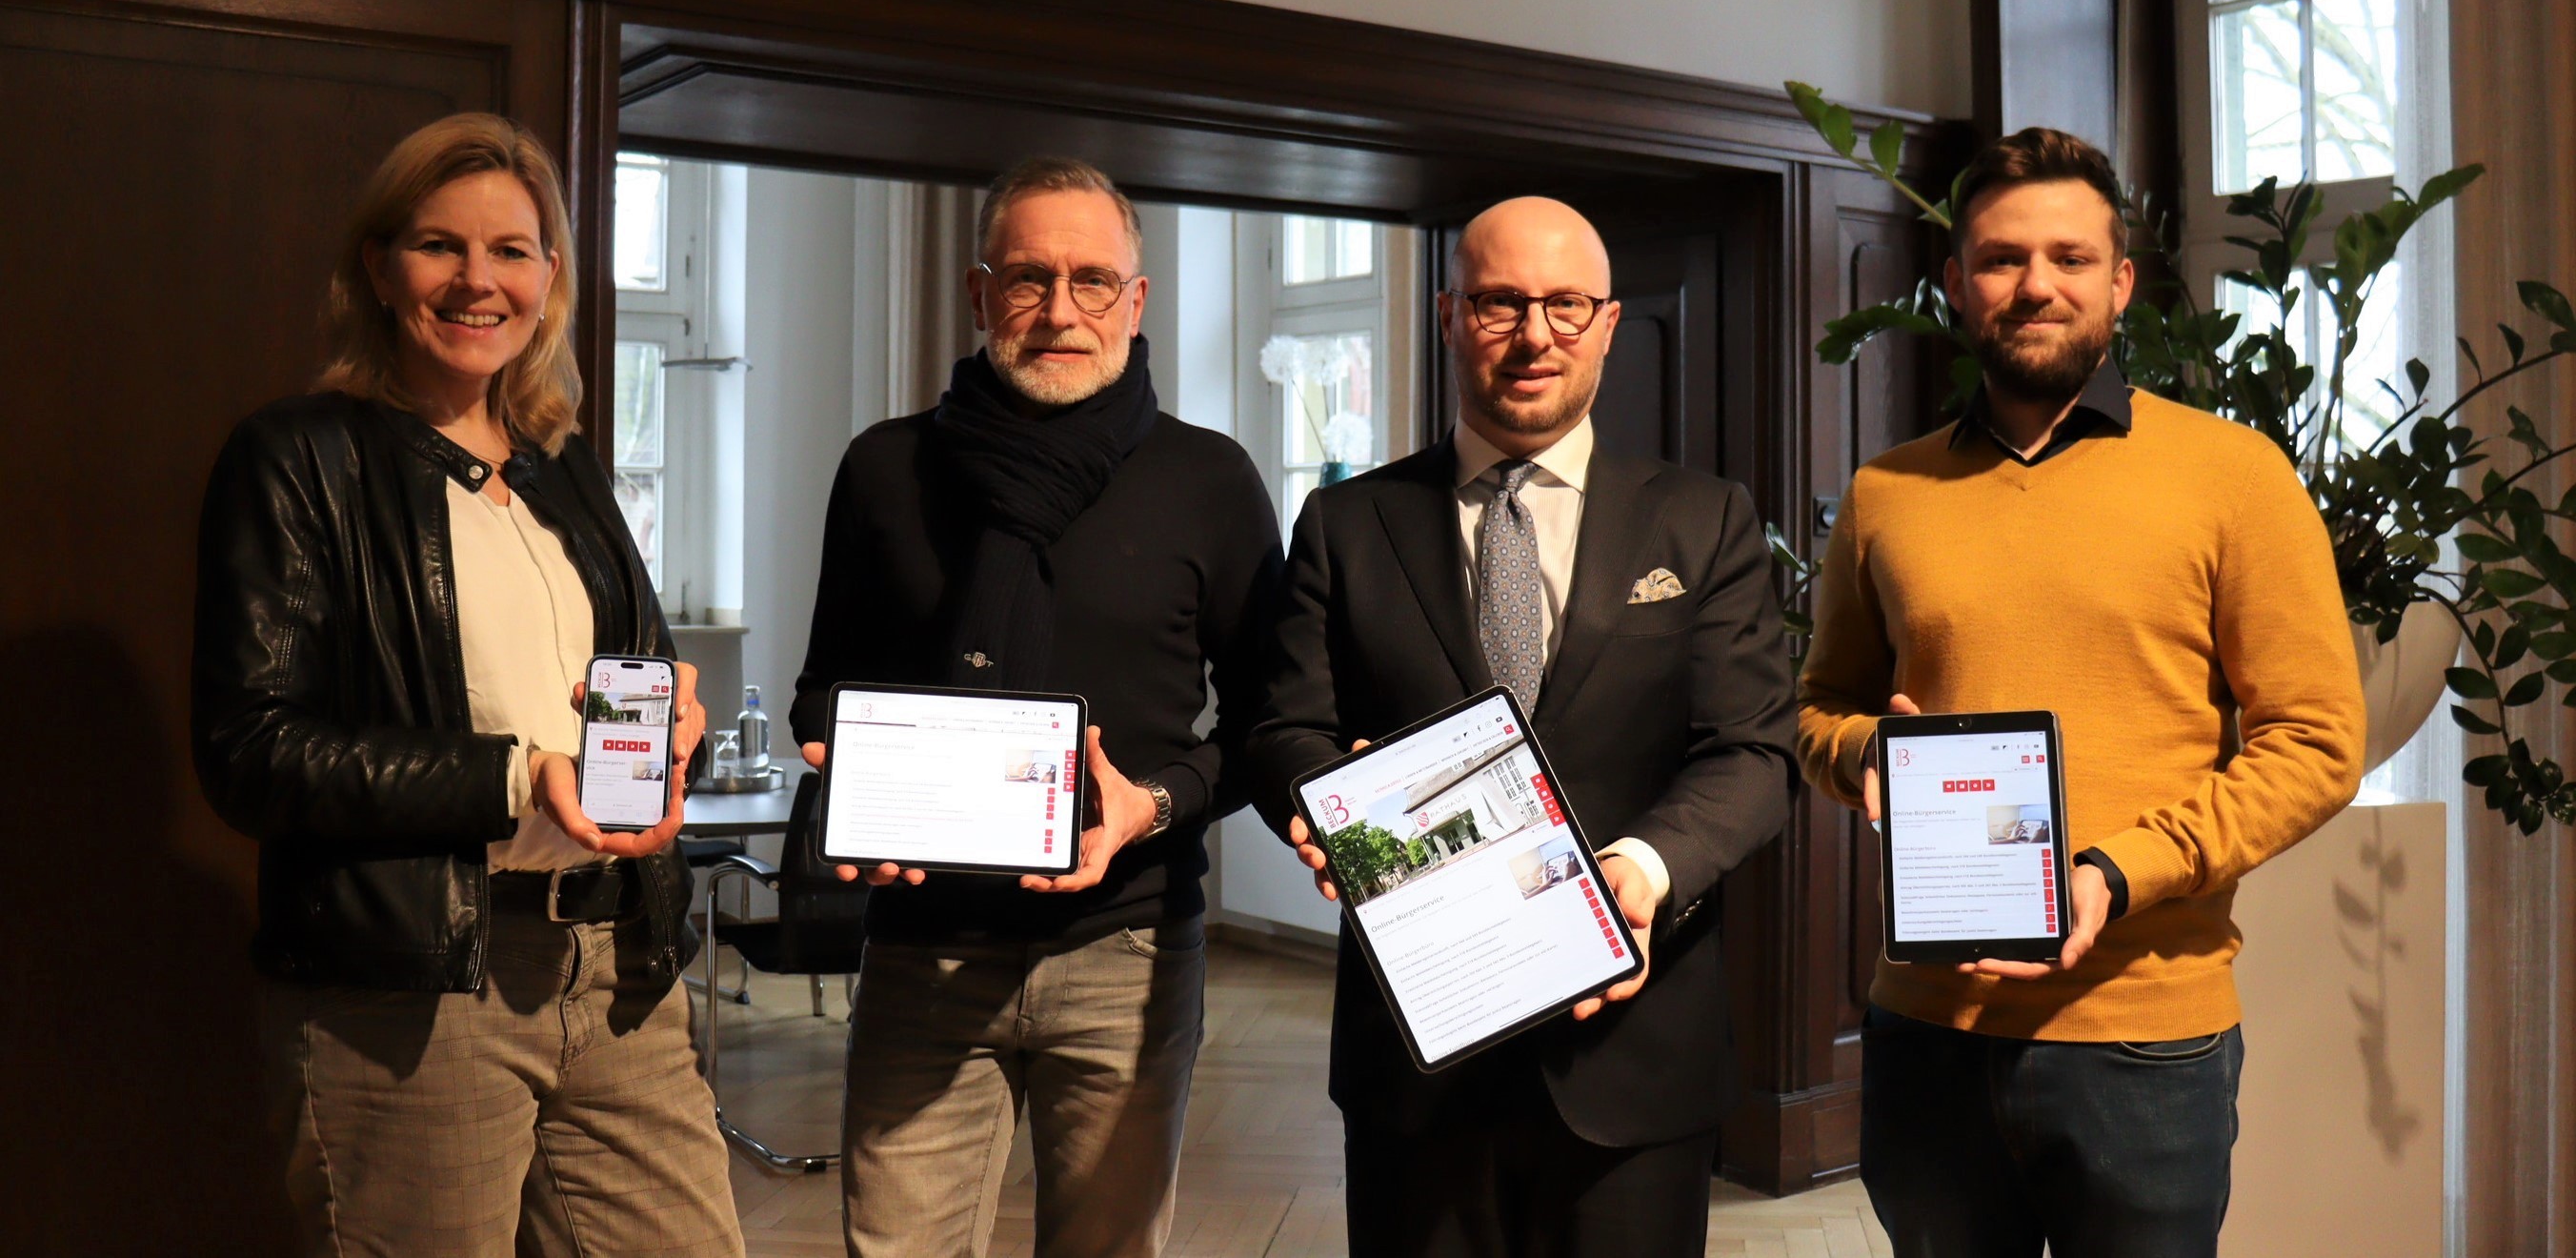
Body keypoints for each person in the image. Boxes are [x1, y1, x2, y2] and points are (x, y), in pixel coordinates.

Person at [1796, 127, 2365, 1257]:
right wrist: (1865, 756)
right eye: (2001, 259)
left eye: (2069, 257)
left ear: (2119, 283)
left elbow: (2315, 743)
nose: (2035, 285)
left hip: (2143, 1041)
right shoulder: (1887, 491)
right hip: (1926, 1032)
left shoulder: (2233, 476)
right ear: (1955, 282)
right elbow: (1819, 708)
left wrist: (2115, 871)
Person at [191, 113, 742, 1255]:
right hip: (416, 987)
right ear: (380, 266)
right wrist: (517, 778)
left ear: (551, 277)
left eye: (512, 251)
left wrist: (667, 716)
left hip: (616, 966)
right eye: (441, 245)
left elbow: (625, 671)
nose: (477, 280)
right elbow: (252, 751)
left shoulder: (566, 463)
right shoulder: (299, 459)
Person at [1251, 196, 1797, 1257]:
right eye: (1500, 303)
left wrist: (1640, 872)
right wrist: (1333, 807)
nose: (1534, 334)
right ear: (1450, 316)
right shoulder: (1346, 523)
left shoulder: (1703, 518)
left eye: (1565, 304)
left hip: (1633, 1049)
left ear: (1608, 323)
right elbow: (1284, 730)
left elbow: (1754, 749)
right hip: (1416, 1058)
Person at [788, 157, 1281, 1257]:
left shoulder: (1211, 481)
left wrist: (1152, 804)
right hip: (920, 949)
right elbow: (822, 689)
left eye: (1092, 281)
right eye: (1028, 278)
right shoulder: (884, 468)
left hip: (1127, 946)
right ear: (979, 295)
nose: (1061, 311)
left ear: (1135, 303)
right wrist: (857, 782)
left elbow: (1265, 726)